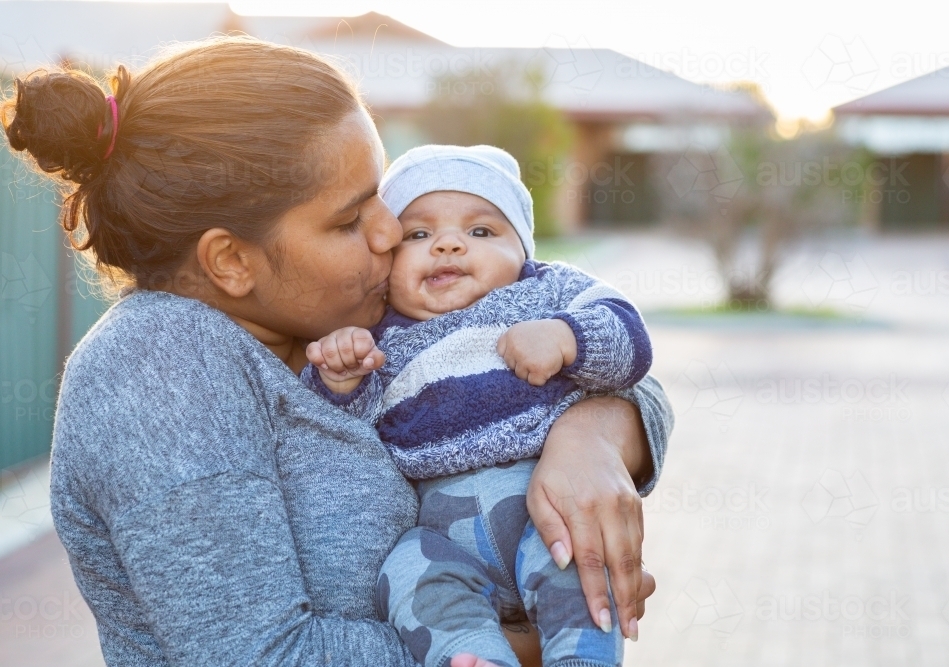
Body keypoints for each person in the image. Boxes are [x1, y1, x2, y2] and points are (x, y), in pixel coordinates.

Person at [1, 37, 672, 666]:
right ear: (231, 260)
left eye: (381, 199)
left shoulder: (330, 313)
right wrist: (525, 642)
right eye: (351, 219)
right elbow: (260, 655)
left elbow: (584, 347)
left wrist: (592, 438)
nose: (391, 232)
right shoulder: (160, 365)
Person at [304, 145, 655, 667]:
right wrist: (341, 378)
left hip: (548, 510)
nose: (447, 244)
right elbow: (345, 434)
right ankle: (473, 655)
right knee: (405, 572)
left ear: (523, 253)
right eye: (418, 235)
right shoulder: (381, 336)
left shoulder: (545, 293)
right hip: (442, 535)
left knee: (578, 571)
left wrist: (567, 336)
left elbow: (631, 340)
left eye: (481, 232)